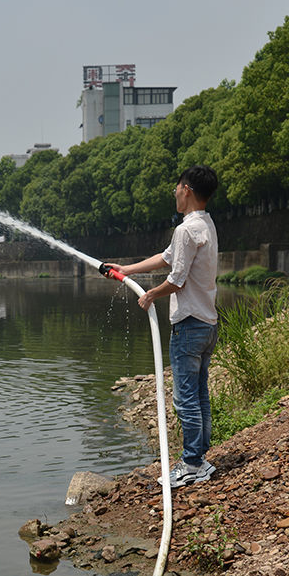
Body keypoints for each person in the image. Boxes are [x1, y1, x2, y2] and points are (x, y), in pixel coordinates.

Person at [106, 165, 219, 489]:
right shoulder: (205, 225)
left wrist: (151, 294)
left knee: (185, 399)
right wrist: (125, 269)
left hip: (189, 325)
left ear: (187, 189)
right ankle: (200, 459)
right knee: (199, 394)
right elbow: (167, 258)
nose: (174, 192)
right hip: (207, 323)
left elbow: (176, 279)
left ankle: (192, 463)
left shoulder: (186, 230)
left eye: (177, 186)